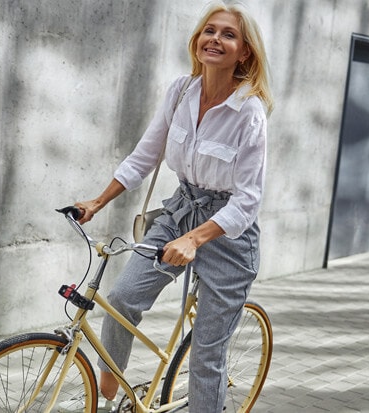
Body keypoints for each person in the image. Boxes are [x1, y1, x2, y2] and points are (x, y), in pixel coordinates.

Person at [70, 3, 273, 412]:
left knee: (206, 358)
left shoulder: (249, 111)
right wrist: (98, 199)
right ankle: (106, 394)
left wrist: (196, 240)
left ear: (244, 52)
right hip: (180, 210)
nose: (215, 39)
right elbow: (146, 155)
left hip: (227, 234)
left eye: (228, 35)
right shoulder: (181, 90)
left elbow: (248, 199)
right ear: (197, 40)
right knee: (123, 298)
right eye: (209, 31)